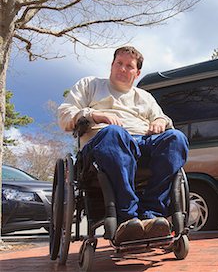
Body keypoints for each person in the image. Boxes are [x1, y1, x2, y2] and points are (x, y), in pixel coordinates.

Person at [58, 46, 189, 244]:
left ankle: (153, 214)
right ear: (111, 65)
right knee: (114, 133)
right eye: (119, 63)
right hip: (104, 144)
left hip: (143, 143)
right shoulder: (90, 85)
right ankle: (127, 216)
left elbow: (162, 117)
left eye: (129, 66)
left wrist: (161, 121)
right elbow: (64, 114)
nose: (122, 68)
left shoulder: (144, 97)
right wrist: (94, 115)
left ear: (137, 73)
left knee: (176, 138)